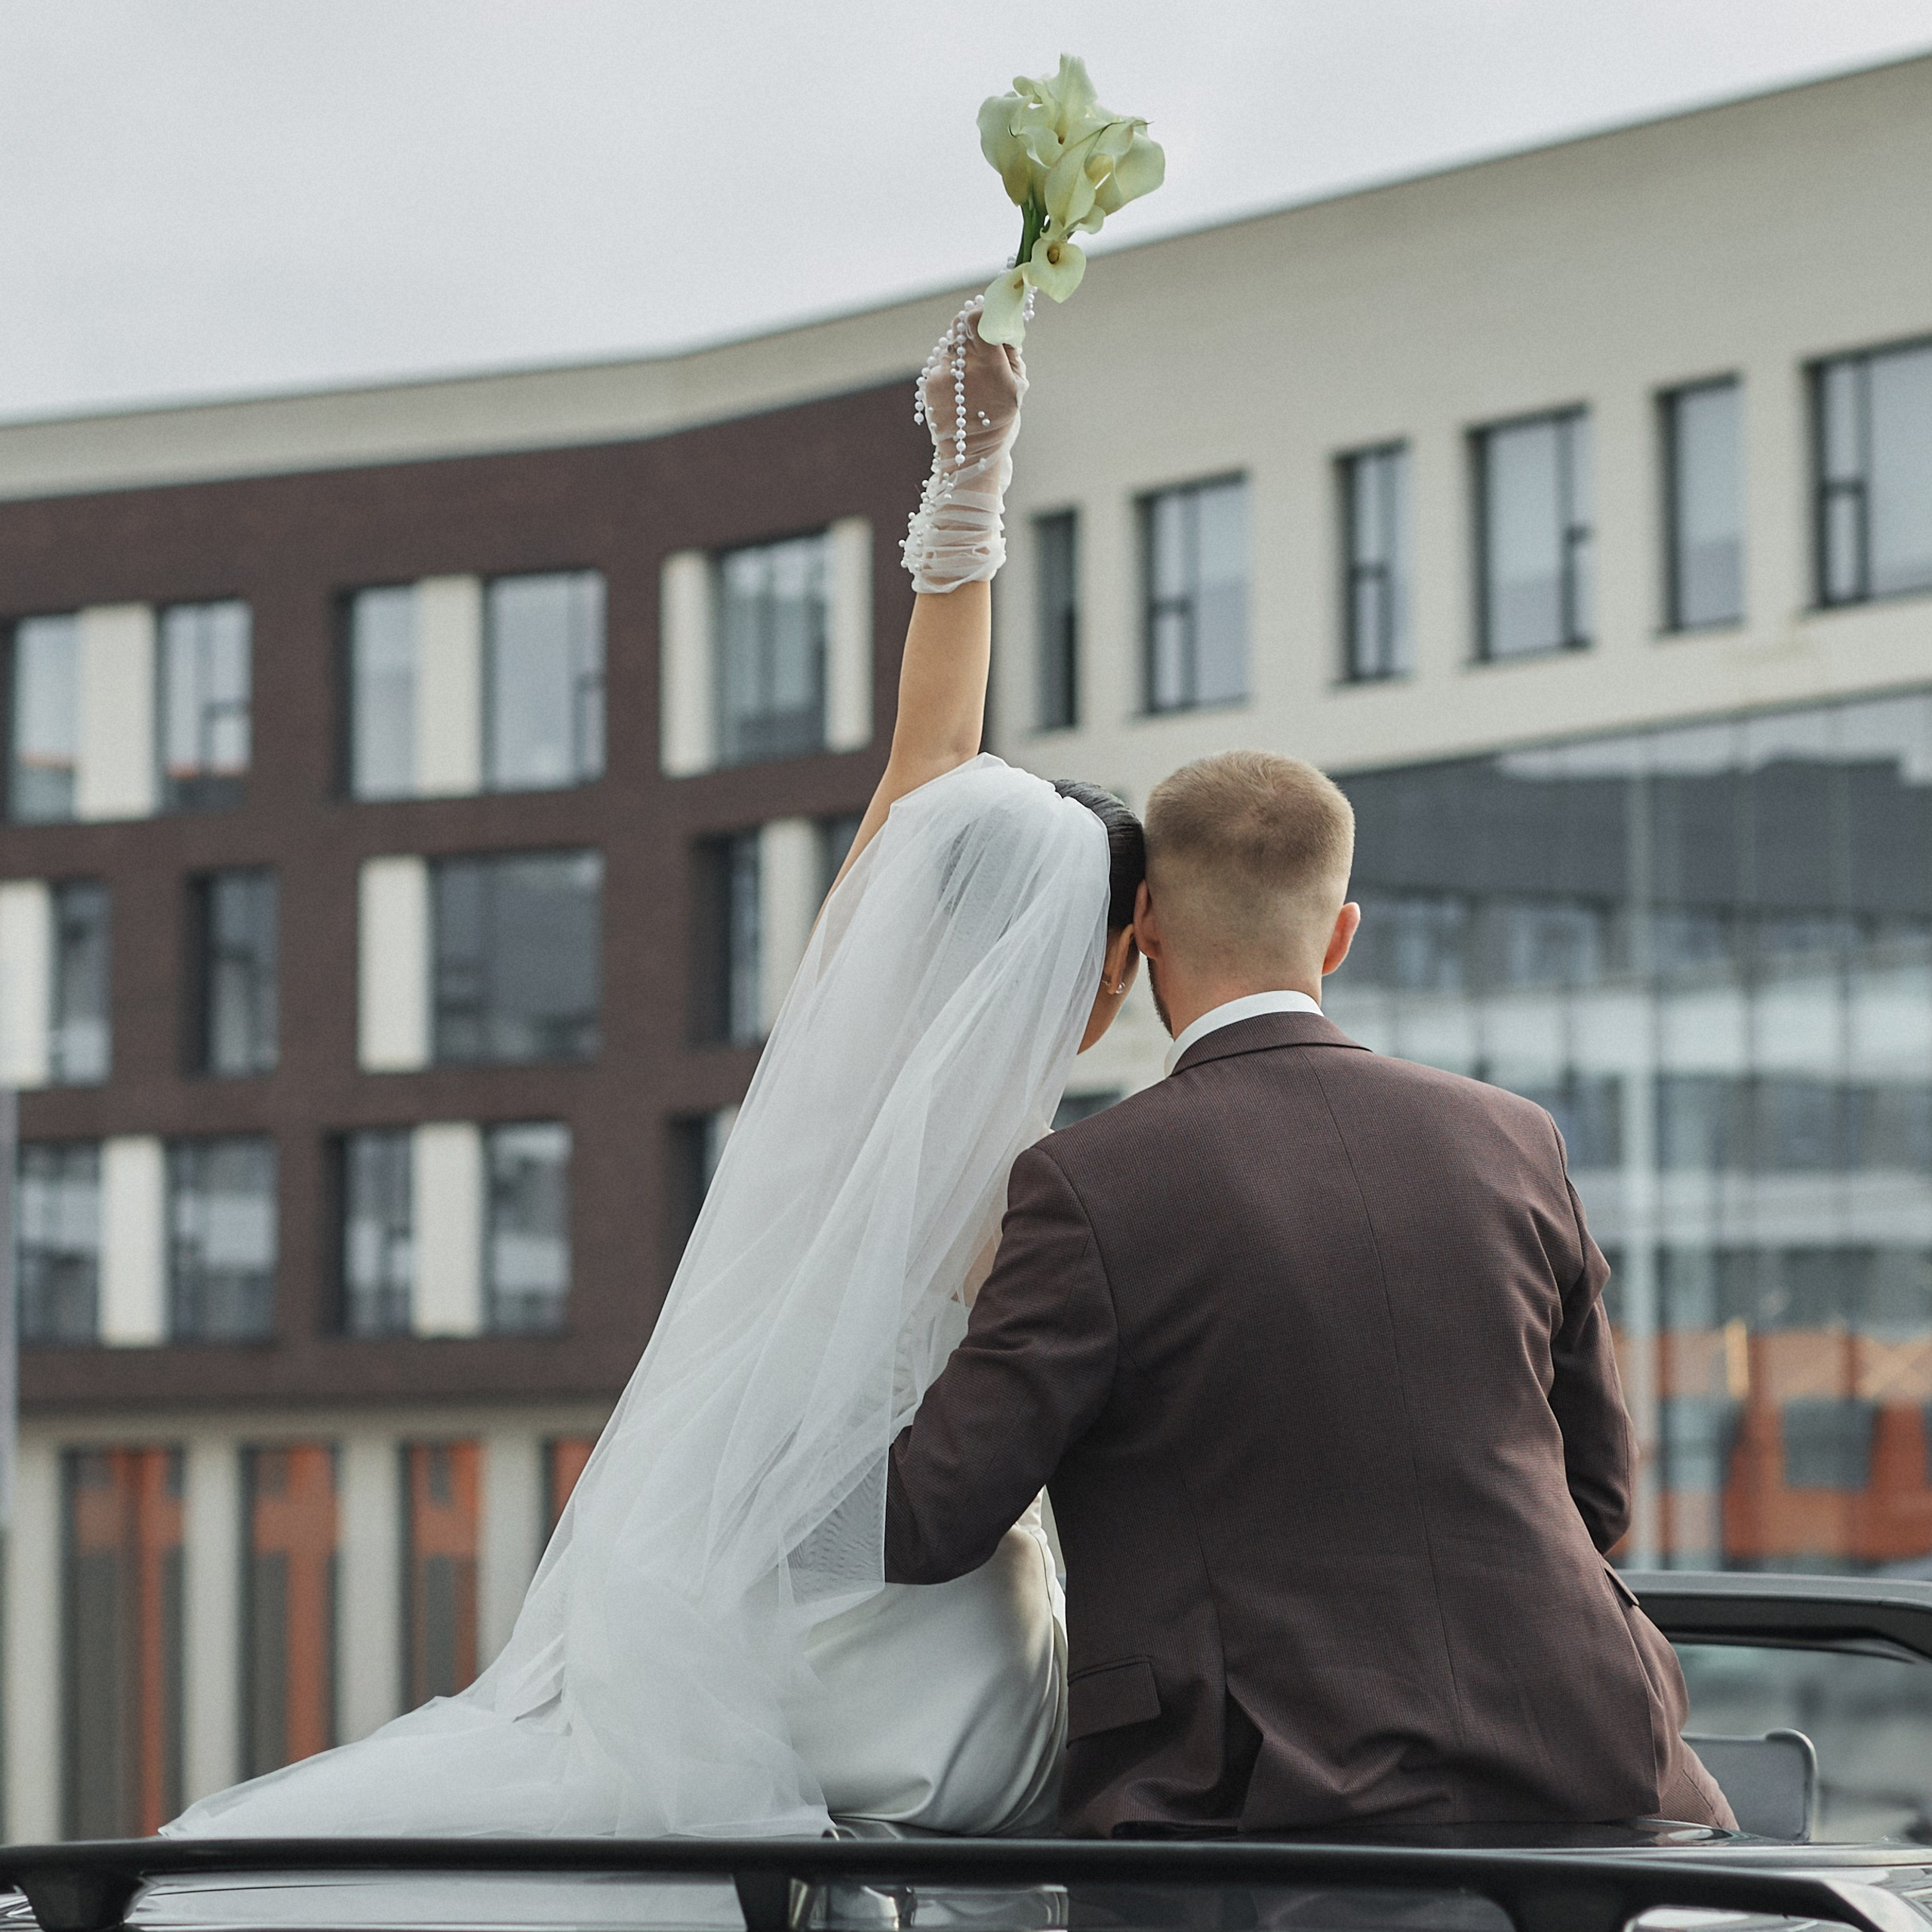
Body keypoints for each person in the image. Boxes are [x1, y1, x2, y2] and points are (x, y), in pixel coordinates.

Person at [165, 303, 1142, 1838]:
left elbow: (920, 757)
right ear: (1088, 975)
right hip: (895, 1654)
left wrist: (972, 470)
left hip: (698, 1579)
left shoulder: (844, 1021)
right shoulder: (1045, 1192)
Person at [884, 749, 1736, 1837]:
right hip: (1595, 1769)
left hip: (1251, 1804)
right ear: (1341, 933)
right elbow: (1599, 1498)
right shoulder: (1515, 1139)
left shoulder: (1085, 1184)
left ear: (1143, 925)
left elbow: (931, 1519)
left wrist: (737, 1480)